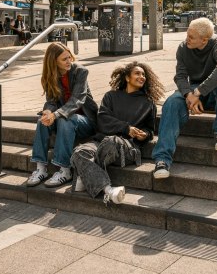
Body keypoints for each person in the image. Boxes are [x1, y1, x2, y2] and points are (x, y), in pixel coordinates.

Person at [152, 17, 217, 179]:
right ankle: (162, 160)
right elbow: (180, 76)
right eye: (187, 35)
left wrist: (198, 92)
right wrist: (188, 94)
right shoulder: (183, 48)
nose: (187, 39)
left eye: (191, 37)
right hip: (192, 91)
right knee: (171, 102)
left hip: (213, 92)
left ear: (204, 40)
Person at [71, 62, 165, 205]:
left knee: (111, 141)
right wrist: (127, 128)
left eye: (143, 74)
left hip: (128, 147)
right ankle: (108, 190)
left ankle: (84, 175)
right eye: (137, 73)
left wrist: (145, 135)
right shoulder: (110, 96)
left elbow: (150, 130)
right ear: (127, 77)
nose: (142, 77)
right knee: (80, 151)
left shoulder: (148, 103)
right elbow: (102, 120)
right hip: (101, 141)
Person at [27, 42, 98, 187]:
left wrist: (56, 114)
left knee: (66, 118)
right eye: (64, 59)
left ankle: (65, 170)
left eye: (69, 57)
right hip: (62, 120)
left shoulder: (80, 71)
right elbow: (51, 101)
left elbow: (77, 100)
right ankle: (41, 168)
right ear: (54, 62)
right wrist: (48, 112)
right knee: (42, 120)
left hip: (86, 121)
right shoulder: (50, 75)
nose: (69, 61)